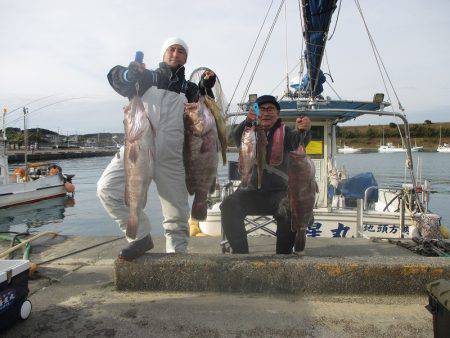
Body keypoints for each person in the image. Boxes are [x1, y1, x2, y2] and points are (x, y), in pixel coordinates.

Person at [97, 37, 216, 260]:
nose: (176, 53)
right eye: (172, 49)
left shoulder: (189, 89)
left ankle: (177, 253)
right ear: (164, 54)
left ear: (186, 58)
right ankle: (140, 237)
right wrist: (128, 73)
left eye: (181, 51)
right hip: (137, 148)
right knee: (106, 188)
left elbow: (207, 115)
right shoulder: (145, 77)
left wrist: (206, 89)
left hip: (173, 156)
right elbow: (117, 79)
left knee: (177, 212)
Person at [220, 95, 312, 254]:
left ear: (278, 113)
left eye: (271, 109)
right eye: (262, 109)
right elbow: (235, 135)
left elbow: (299, 141)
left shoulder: (287, 132)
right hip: (249, 191)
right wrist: (247, 121)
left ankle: (282, 257)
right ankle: (241, 255)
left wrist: (304, 129)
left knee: (289, 208)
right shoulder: (248, 130)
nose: (266, 113)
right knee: (228, 204)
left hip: (279, 193)